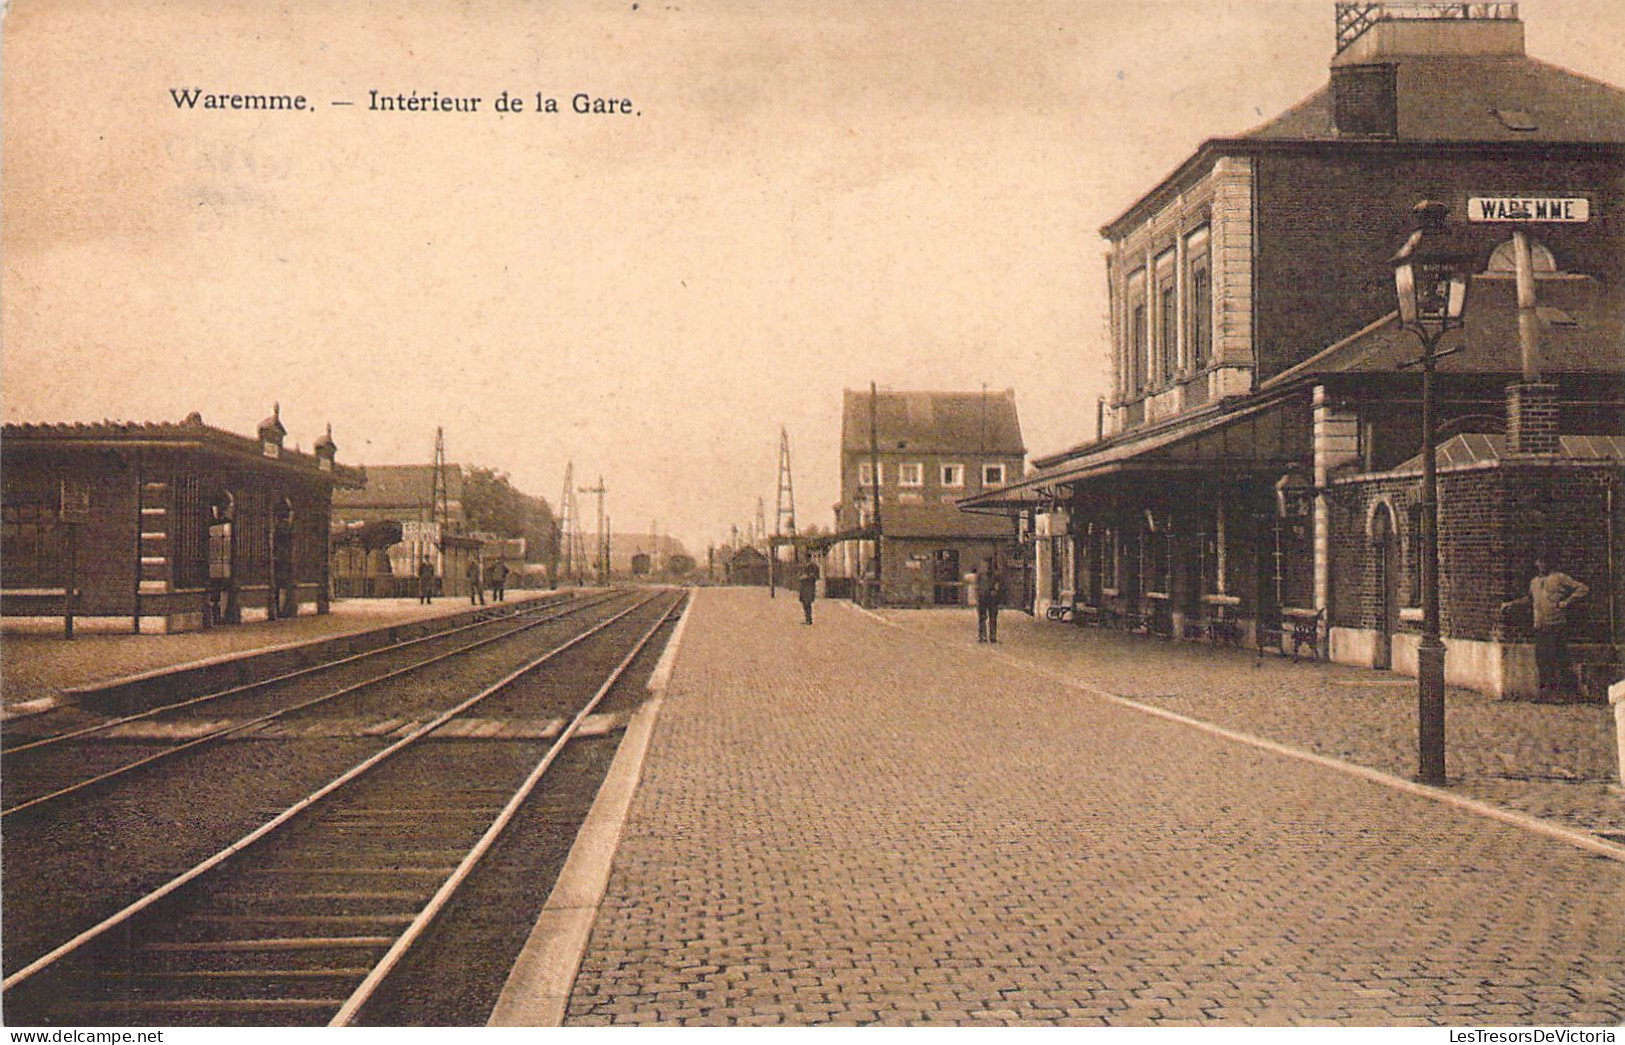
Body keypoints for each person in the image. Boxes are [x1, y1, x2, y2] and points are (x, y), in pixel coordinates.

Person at [1502, 555, 1589, 699]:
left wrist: (1567, 602)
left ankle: (1566, 693)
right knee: (1542, 660)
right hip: (1540, 626)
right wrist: (1511, 604)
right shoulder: (1534, 582)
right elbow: (1529, 599)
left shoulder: (1559, 578)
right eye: (1539, 562)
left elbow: (1582, 588)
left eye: (1544, 562)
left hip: (1556, 625)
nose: (1541, 565)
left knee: (1558, 659)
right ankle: (1545, 694)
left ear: (1549, 563)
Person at [975, 557, 1006, 643]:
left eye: (989, 565)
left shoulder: (996, 576)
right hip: (982, 599)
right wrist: (978, 596)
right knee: (982, 618)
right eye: (985, 565)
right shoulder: (980, 575)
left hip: (992, 599)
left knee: (993, 618)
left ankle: (992, 636)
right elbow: (977, 586)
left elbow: (999, 586)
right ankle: (982, 636)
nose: (987, 567)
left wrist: (995, 591)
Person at [797, 557, 820, 625]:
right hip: (804, 588)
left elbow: (815, 576)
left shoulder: (813, 567)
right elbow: (799, 575)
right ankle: (807, 619)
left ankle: (809, 619)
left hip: (809, 587)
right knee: (805, 604)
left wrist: (806, 577)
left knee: (808, 604)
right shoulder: (803, 566)